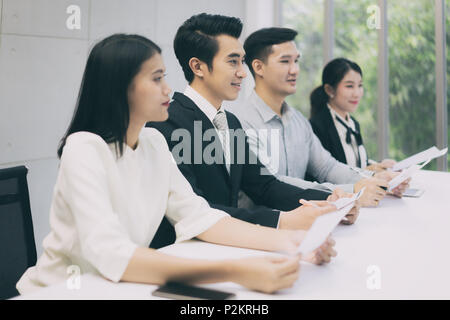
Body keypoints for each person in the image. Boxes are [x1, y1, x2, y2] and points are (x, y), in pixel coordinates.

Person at [16, 34, 337, 295]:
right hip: (60, 291)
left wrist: (296, 243)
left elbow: (201, 217)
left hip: (118, 289)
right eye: (156, 79)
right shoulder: (84, 147)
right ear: (121, 87)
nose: (168, 89)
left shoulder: (153, 143)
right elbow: (110, 253)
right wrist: (236, 271)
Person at [148, 13, 354, 247]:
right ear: (198, 67)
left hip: (229, 248)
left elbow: (264, 185)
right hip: (184, 254)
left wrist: (330, 200)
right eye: (232, 61)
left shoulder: (231, 123)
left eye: (242, 62)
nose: (243, 73)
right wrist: (282, 220)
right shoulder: (167, 122)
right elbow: (196, 208)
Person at [235, 27, 408, 210]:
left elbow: (327, 167)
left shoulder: (298, 121)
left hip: (304, 221)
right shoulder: (241, 122)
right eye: (285, 61)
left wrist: (373, 179)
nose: (294, 70)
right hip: (262, 228)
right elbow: (273, 184)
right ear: (258, 67)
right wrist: (349, 191)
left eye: (296, 61)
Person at [309, 58, 396, 172]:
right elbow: (330, 174)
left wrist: (379, 165)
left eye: (360, 85)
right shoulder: (317, 127)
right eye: (349, 86)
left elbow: (356, 163)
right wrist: (370, 170)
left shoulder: (353, 124)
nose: (357, 93)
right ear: (330, 90)